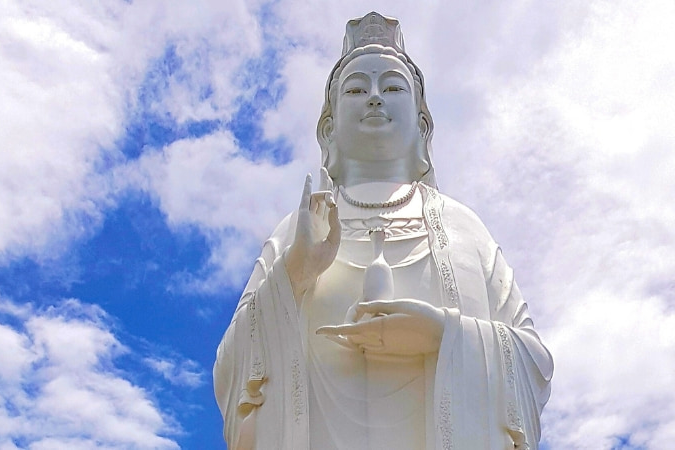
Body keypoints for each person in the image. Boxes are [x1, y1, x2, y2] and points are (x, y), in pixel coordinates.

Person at [214, 12, 552, 450]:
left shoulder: (463, 228)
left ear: (422, 123)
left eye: (392, 87)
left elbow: (534, 363)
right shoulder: (298, 229)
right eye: (355, 89)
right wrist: (293, 273)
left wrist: (443, 336)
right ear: (330, 126)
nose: (375, 97)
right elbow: (231, 370)